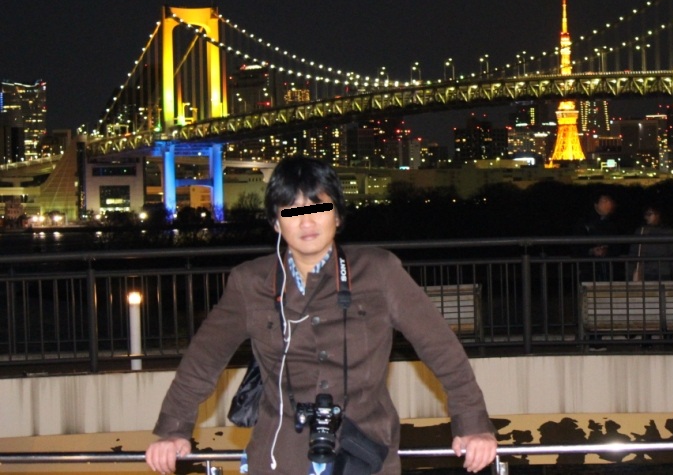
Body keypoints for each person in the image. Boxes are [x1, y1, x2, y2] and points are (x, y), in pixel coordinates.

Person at [146, 156, 497, 475]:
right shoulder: (249, 282)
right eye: (291, 209)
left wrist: (473, 424)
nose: (307, 220)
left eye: (318, 205)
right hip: (278, 457)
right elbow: (203, 360)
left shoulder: (379, 272)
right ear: (275, 223)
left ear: (338, 214)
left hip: (365, 454)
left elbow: (441, 349)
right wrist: (173, 430)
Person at [574, 192, 621, 282]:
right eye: (604, 201)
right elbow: (577, 246)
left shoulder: (614, 223)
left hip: (609, 269)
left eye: (609, 201)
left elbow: (618, 245)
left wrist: (607, 250)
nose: (608, 203)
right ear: (596, 204)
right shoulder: (584, 222)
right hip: (589, 270)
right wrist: (591, 251)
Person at [628, 205, 673, 282]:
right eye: (646, 214)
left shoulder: (667, 232)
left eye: (649, 214)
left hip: (662, 273)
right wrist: (630, 276)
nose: (646, 217)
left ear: (657, 215)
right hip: (646, 273)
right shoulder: (640, 231)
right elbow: (633, 255)